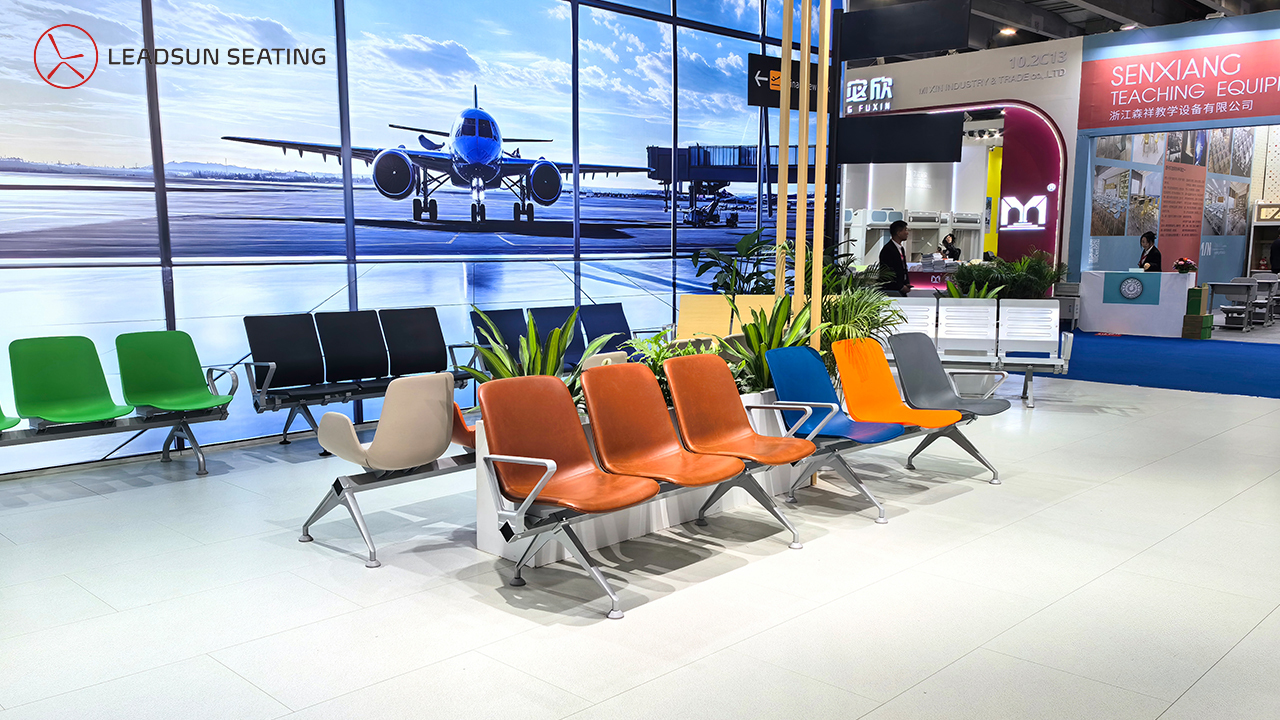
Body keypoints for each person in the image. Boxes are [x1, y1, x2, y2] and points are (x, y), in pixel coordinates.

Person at [879, 220, 912, 296]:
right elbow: (889, 272)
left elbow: (903, 268)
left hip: (901, 289)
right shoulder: (888, 250)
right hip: (892, 290)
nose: (907, 233)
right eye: (905, 230)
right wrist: (900, 287)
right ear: (898, 233)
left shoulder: (901, 249)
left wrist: (906, 283)